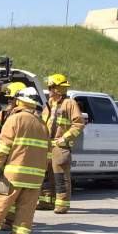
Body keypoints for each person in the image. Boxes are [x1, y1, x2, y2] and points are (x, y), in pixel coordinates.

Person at [0, 87, 50, 234]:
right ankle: (21, 233)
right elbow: (48, 153)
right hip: (36, 176)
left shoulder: (16, 119)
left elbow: (4, 146)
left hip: (15, 173)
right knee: (27, 206)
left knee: (2, 200)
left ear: (20, 101)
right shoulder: (42, 124)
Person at [38, 73, 86, 214]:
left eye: (51, 87)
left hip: (60, 146)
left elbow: (79, 124)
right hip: (47, 146)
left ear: (58, 89)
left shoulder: (69, 103)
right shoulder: (49, 105)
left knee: (60, 177)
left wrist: (65, 138)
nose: (49, 90)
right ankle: (46, 202)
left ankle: (62, 204)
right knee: (46, 176)